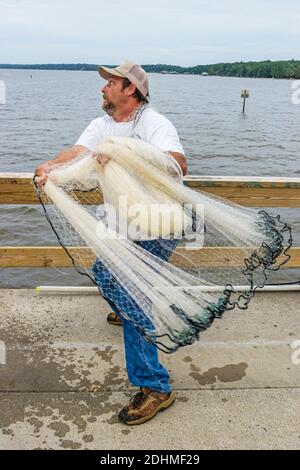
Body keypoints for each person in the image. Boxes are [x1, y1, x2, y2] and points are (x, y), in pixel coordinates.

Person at [34, 60, 187, 425]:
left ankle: (155, 387)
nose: (102, 88)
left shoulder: (155, 124)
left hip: (159, 225)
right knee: (106, 273)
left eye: (110, 83)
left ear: (130, 89)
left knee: (133, 297)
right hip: (122, 230)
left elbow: (178, 164)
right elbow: (76, 153)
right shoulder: (100, 125)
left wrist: (123, 152)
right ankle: (127, 309)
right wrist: (50, 166)